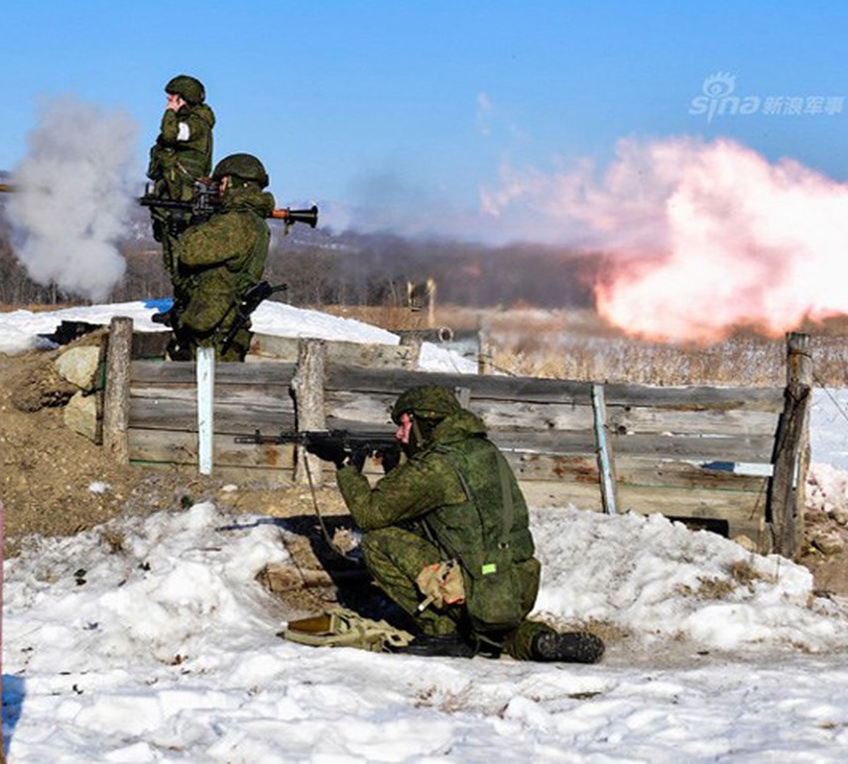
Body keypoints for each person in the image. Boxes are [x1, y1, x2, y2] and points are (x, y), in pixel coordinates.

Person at [306, 385, 605, 662]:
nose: (398, 435)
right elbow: (438, 507)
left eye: (405, 425)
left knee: (377, 542)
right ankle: (539, 641)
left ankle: (442, 632)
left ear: (425, 423)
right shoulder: (484, 451)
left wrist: (345, 466)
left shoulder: (436, 466)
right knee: (490, 631)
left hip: (474, 585)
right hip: (515, 584)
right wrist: (396, 466)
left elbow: (371, 515)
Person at [170, 153, 273, 362]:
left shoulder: (235, 222)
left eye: (221, 183)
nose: (218, 188)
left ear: (231, 182)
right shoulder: (253, 220)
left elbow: (190, 253)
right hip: (223, 326)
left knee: (206, 393)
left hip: (213, 336)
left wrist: (196, 223)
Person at [146, 74, 216, 303]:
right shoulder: (191, 122)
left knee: (180, 257)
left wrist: (170, 112)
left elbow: (170, 134)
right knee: (172, 258)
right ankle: (182, 305)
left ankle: (187, 307)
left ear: (185, 98)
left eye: (174, 96)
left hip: (184, 202)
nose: (169, 99)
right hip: (174, 198)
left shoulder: (195, 125)